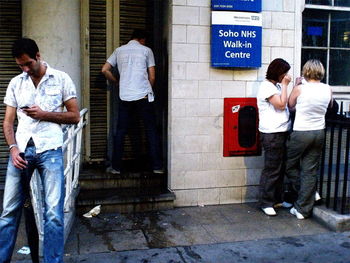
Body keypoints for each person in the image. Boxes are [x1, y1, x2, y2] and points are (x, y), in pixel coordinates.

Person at [0, 38, 80, 263]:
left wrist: (44, 114)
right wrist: (13, 149)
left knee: (53, 214)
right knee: (8, 212)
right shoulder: (17, 82)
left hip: (50, 150)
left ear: (38, 55)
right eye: (20, 65)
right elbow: (7, 122)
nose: (25, 69)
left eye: (28, 64)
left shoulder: (61, 78)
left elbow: (74, 116)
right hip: (21, 152)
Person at [102, 29, 163, 174]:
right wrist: (146, 89)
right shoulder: (147, 51)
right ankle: (157, 167)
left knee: (121, 131)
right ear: (142, 39)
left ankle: (116, 167)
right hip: (143, 96)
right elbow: (152, 77)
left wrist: (116, 82)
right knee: (150, 130)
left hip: (125, 96)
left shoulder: (119, 51)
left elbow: (105, 69)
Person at [286, 59, 332, 219]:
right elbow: (330, 105)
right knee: (310, 170)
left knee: (289, 165)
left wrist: (297, 85)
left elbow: (290, 105)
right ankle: (302, 209)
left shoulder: (300, 89)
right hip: (319, 131)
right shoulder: (327, 88)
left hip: (301, 132)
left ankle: (309, 195)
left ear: (306, 71)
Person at [257, 58, 292, 216]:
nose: (286, 76)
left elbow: (286, 103)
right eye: (284, 73)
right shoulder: (266, 87)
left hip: (280, 131)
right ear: (278, 72)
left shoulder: (275, 86)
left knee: (280, 167)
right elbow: (281, 105)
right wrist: (285, 86)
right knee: (272, 169)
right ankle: (266, 202)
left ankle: (277, 199)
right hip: (271, 133)